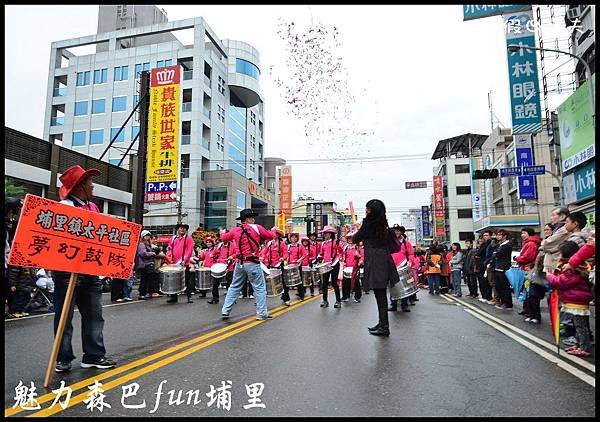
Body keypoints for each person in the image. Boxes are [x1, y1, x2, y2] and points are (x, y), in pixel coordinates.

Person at [53, 165, 116, 371]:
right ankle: (63, 357)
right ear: (80, 186)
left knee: (94, 315)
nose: (93, 185)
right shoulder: (64, 207)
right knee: (65, 318)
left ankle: (94, 356)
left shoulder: (94, 208)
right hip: (67, 273)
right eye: (89, 182)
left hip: (90, 272)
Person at [352, 199, 399, 337]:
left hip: (375, 259)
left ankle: (384, 326)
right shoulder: (383, 223)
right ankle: (382, 323)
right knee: (381, 293)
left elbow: (356, 238)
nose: (366, 211)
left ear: (372, 210)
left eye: (368, 209)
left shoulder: (369, 223)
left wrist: (360, 229)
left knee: (380, 293)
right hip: (384, 258)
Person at [219, 208, 275, 320]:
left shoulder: (235, 230)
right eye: (252, 217)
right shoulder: (257, 227)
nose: (254, 219)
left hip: (239, 263)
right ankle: (262, 314)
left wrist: (222, 233)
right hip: (252, 263)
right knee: (259, 288)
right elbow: (270, 236)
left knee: (234, 287)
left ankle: (225, 310)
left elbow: (224, 238)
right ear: (248, 219)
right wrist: (274, 230)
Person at [546, 241, 593, 357]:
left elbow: (561, 282)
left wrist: (549, 276)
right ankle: (579, 344)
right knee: (579, 326)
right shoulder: (578, 266)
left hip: (577, 302)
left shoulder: (572, 269)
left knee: (581, 326)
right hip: (576, 301)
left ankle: (584, 347)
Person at [165, 223, 195, 304]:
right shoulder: (173, 238)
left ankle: (189, 297)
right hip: (174, 264)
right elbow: (169, 248)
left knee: (187, 281)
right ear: (178, 229)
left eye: (184, 228)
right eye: (181, 228)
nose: (182, 229)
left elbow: (189, 250)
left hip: (184, 264)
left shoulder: (189, 238)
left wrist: (184, 260)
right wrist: (169, 256)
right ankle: (173, 297)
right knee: (173, 281)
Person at [388, 224, 415, 312]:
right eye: (395, 231)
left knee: (405, 285)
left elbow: (411, 254)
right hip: (392, 267)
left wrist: (410, 262)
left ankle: (404, 305)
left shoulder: (406, 243)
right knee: (393, 286)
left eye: (398, 230)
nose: (397, 232)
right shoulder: (389, 243)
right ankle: (393, 304)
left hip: (403, 266)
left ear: (402, 232)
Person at [261, 227, 290, 306]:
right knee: (264, 282)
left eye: (275, 233)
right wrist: (262, 258)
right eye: (272, 233)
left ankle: (286, 298)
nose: (273, 235)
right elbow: (264, 252)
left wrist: (282, 258)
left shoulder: (282, 244)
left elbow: (286, 253)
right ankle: (261, 300)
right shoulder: (269, 243)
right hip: (269, 265)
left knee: (283, 282)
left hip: (278, 265)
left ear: (278, 235)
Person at [317, 226, 344, 309]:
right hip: (326, 264)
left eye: (327, 233)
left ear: (331, 234)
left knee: (334, 283)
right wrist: (319, 257)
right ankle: (325, 301)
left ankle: (338, 301)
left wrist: (339, 245)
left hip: (334, 264)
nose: (325, 235)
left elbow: (341, 251)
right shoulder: (323, 243)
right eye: (324, 233)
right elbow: (321, 253)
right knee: (324, 283)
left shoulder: (336, 242)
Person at [210, 237, 238, 304]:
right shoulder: (219, 246)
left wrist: (232, 256)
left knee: (230, 284)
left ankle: (231, 299)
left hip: (229, 267)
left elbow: (237, 253)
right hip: (220, 266)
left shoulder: (233, 245)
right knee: (215, 284)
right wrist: (212, 255)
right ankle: (215, 299)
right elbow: (214, 253)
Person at [490, 229, 513, 310]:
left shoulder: (507, 245)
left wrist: (495, 254)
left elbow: (497, 255)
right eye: (497, 235)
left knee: (505, 287)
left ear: (505, 236)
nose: (497, 236)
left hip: (503, 269)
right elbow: (493, 253)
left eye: (500, 235)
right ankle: (503, 302)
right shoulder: (500, 244)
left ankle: (508, 304)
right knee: (499, 286)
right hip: (497, 268)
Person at [523, 254, 547, 324]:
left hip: (538, 284)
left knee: (535, 301)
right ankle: (531, 316)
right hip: (534, 283)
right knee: (530, 300)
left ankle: (536, 317)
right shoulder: (536, 266)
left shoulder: (542, 265)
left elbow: (540, 271)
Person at [287, 232, 308, 301]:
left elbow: (304, 254)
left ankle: (301, 294)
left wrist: (300, 260)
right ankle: (285, 296)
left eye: (295, 237)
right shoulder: (288, 246)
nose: (294, 238)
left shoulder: (300, 246)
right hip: (289, 265)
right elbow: (286, 255)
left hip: (298, 265)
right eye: (292, 237)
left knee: (299, 280)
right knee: (287, 280)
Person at [137, 230, 156, 300]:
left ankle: (144, 293)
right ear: (143, 236)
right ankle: (142, 294)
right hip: (144, 265)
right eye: (146, 235)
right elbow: (143, 253)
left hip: (147, 264)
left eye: (148, 235)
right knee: (144, 280)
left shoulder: (147, 244)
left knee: (147, 279)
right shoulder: (142, 244)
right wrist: (152, 253)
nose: (147, 236)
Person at [475, 231, 493, 302]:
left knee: (485, 282)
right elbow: (477, 253)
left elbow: (480, 253)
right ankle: (484, 296)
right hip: (480, 265)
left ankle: (487, 297)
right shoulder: (484, 244)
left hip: (485, 265)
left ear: (490, 236)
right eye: (484, 235)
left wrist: (478, 255)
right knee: (481, 282)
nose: (485, 237)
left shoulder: (489, 244)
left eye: (487, 235)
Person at [197, 237, 217, 301]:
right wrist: (199, 253)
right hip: (206, 267)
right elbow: (201, 258)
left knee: (213, 282)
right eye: (207, 242)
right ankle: (203, 293)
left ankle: (214, 295)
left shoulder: (215, 250)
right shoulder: (205, 251)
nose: (208, 243)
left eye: (210, 242)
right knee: (204, 280)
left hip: (213, 267)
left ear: (212, 243)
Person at [341, 232, 359, 303]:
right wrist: (343, 262)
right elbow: (343, 256)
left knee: (356, 283)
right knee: (345, 283)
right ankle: (345, 296)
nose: (350, 240)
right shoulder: (345, 248)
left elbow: (361, 256)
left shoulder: (357, 247)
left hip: (355, 267)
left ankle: (357, 297)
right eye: (349, 239)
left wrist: (359, 258)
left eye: (351, 238)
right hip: (347, 267)